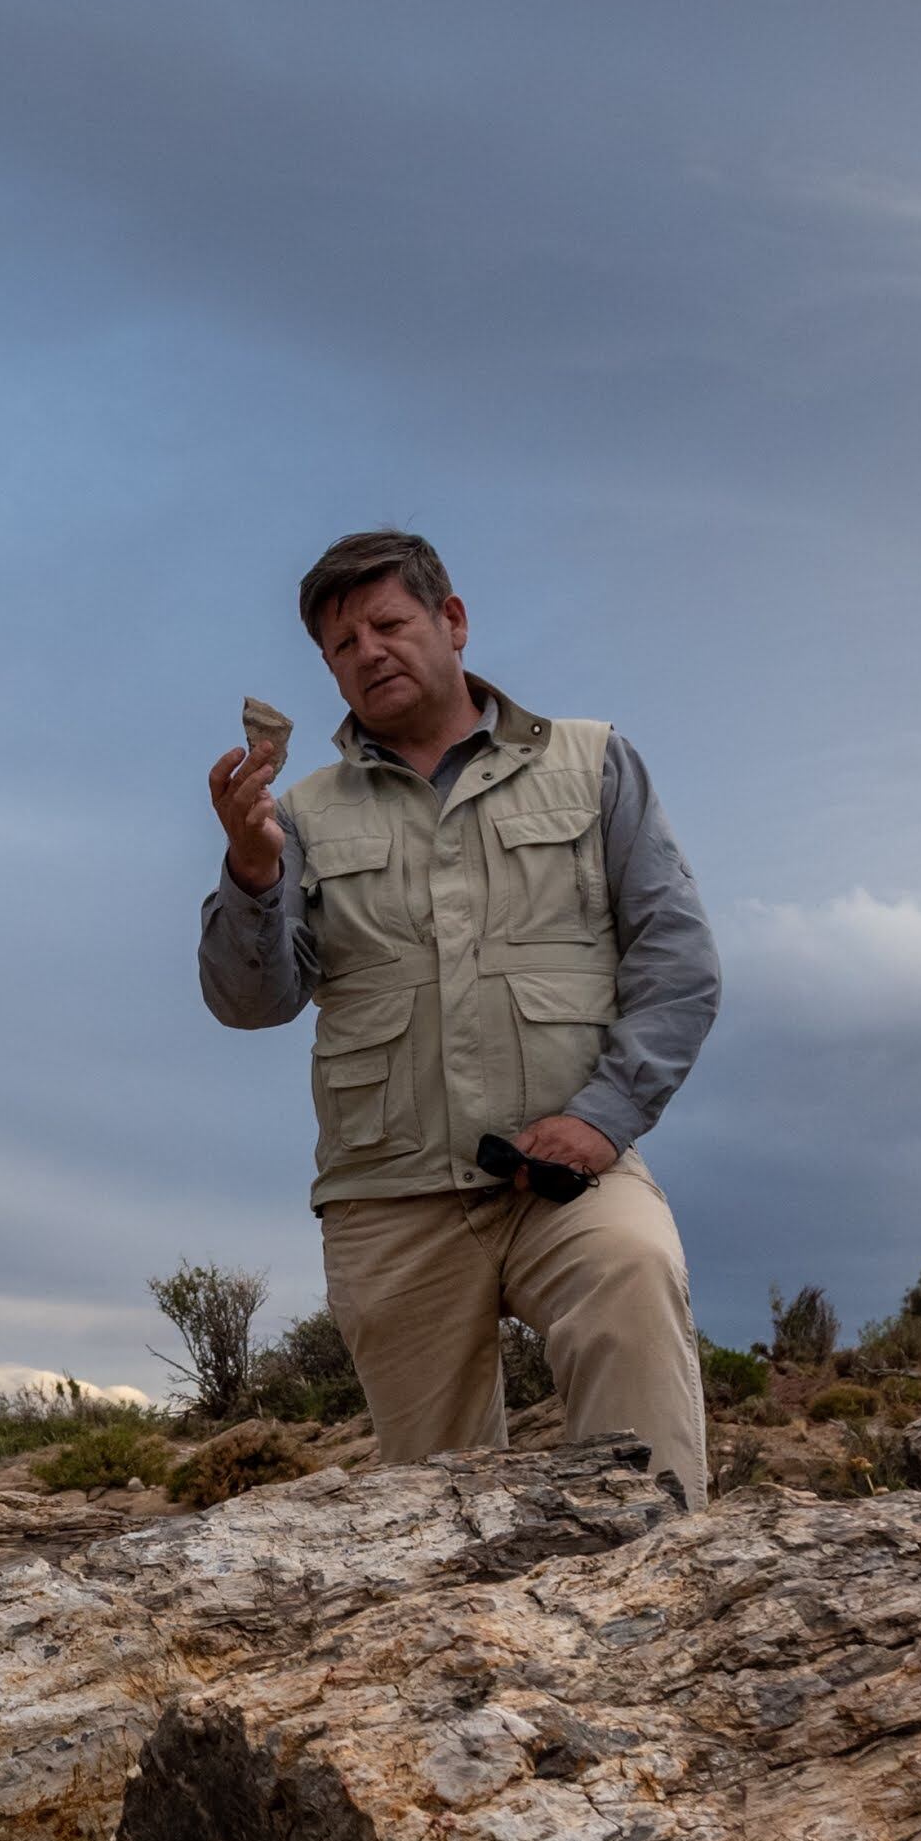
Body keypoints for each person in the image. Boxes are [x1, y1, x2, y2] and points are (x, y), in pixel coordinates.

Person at [200, 529, 720, 1506]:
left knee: (633, 1275)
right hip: (387, 1200)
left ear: (451, 620)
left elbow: (676, 958)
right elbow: (249, 1002)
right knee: (439, 1508)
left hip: (567, 1174)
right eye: (340, 646)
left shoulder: (592, 762)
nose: (367, 652)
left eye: (387, 624)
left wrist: (606, 1116)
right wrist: (252, 871)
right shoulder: (299, 814)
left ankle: (659, 1594)